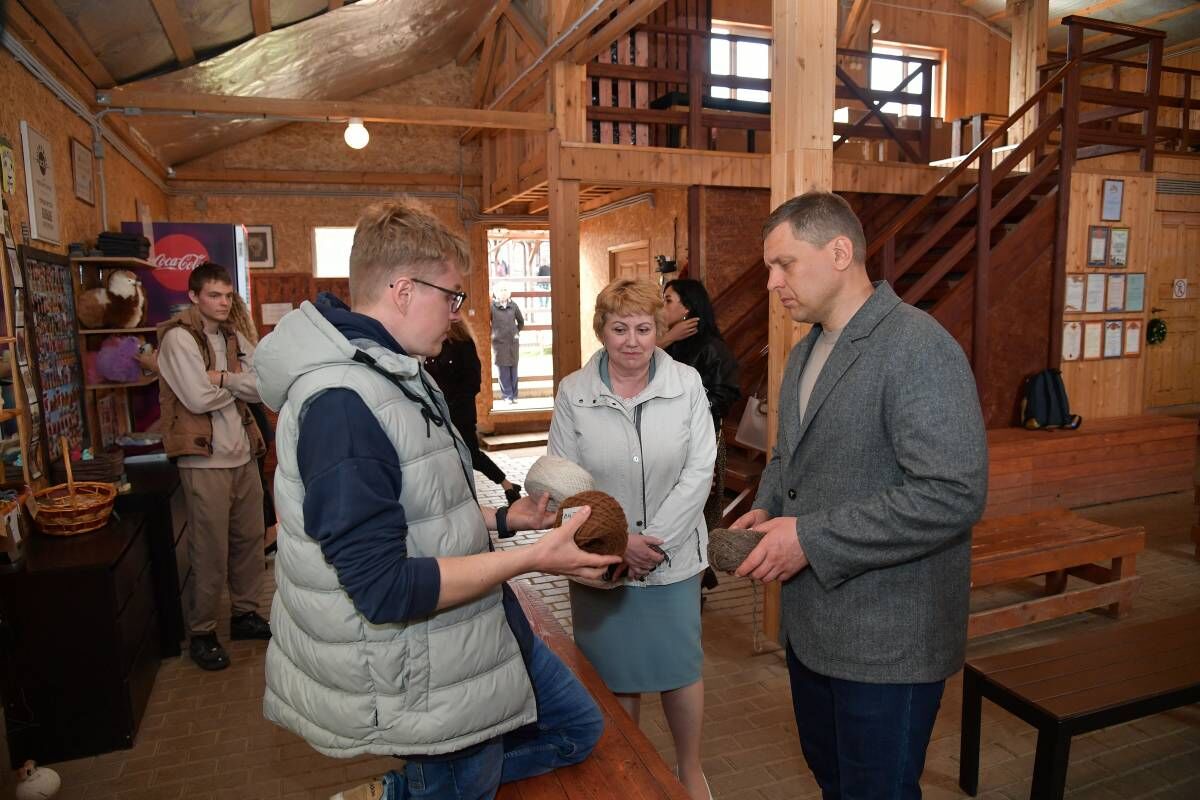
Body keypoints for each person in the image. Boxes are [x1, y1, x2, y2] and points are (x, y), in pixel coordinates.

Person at [255, 199, 620, 799]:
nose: (457, 313)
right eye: (451, 296)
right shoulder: (343, 403)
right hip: (420, 665)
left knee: (577, 730)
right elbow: (384, 587)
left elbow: (420, 512)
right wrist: (533, 557)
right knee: (462, 782)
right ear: (403, 290)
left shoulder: (397, 370)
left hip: (476, 624)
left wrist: (508, 518)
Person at [731, 191, 988, 799]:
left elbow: (952, 494)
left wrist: (809, 537)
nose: (772, 282)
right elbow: (788, 455)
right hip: (815, 630)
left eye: (784, 264)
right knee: (834, 783)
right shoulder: (803, 351)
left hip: (889, 637)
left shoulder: (917, 347)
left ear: (840, 252)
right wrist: (768, 506)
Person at [547, 278, 716, 800]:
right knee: (615, 679)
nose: (632, 340)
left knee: (680, 669)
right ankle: (630, 775)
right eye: (619, 328)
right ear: (601, 330)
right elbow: (563, 479)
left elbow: (700, 467)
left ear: (658, 331)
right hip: (602, 563)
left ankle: (689, 771)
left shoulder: (686, 383)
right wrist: (619, 544)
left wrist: (654, 539)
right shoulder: (574, 391)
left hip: (673, 558)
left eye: (644, 328)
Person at [155, 262, 271, 671]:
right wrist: (235, 382)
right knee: (208, 550)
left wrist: (221, 378)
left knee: (249, 540)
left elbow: (264, 387)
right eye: (214, 296)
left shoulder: (233, 336)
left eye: (227, 295)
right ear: (194, 297)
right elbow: (196, 399)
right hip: (204, 460)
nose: (223, 303)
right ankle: (203, 632)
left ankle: (245, 615)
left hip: (243, 454)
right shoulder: (178, 340)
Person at [658, 278, 740, 533]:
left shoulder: (712, 348)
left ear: (687, 308)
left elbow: (723, 397)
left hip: (700, 441)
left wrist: (683, 409)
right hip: (663, 439)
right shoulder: (665, 343)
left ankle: (700, 570)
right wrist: (668, 338)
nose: (660, 306)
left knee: (696, 518)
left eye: (668, 300)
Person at [425, 317, 523, 503]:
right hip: (438, 415)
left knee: (471, 454)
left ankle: (506, 485)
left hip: (460, 414)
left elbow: (473, 382)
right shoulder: (431, 345)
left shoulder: (463, 345)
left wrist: (452, 404)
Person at [491, 287, 524, 403]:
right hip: (499, 344)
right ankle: (507, 396)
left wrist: (515, 332)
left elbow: (521, 321)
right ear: (497, 293)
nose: (503, 292)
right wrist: (494, 334)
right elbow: (486, 323)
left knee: (514, 369)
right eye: (501, 290)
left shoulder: (513, 305)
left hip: (513, 343)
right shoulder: (492, 307)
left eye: (505, 290)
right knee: (503, 370)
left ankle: (514, 395)